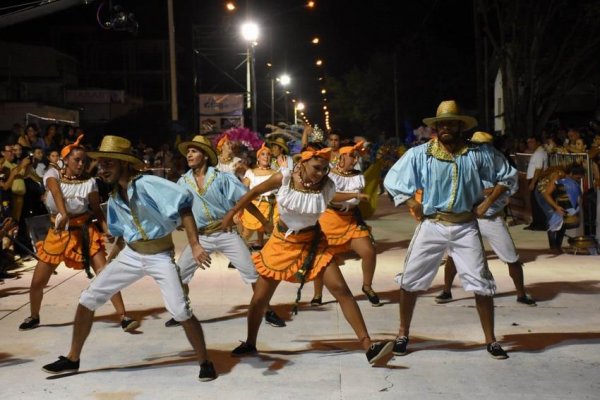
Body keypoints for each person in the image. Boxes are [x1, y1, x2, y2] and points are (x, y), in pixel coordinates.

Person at [41, 135, 216, 381]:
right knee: (88, 299)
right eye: (100, 164)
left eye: (109, 163)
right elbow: (124, 233)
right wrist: (113, 257)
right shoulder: (114, 196)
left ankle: (205, 362)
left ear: (124, 163)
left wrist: (195, 245)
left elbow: (184, 205)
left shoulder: (147, 184)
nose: (102, 168)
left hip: (159, 256)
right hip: (132, 255)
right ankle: (72, 359)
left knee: (180, 310)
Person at [222, 142, 393, 365]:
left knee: (341, 290)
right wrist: (232, 214)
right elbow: (254, 191)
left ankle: (368, 345)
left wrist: (354, 195)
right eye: (316, 168)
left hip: (313, 242)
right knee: (260, 299)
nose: (320, 173)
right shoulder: (283, 177)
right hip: (281, 243)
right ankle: (250, 342)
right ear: (303, 163)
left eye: (324, 169)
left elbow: (333, 196)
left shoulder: (326, 185)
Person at [384, 100, 517, 360]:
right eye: (441, 124)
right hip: (432, 225)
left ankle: (491, 340)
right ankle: (402, 334)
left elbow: (508, 175)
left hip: (466, 226)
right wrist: (413, 202)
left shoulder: (479, 153)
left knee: (481, 283)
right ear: (436, 127)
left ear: (460, 126)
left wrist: (488, 203)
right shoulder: (420, 154)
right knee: (410, 280)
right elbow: (393, 180)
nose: (445, 127)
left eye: (451, 123)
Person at [19, 135, 139, 332]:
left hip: (85, 232)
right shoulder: (52, 174)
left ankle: (124, 316)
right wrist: (64, 213)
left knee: (106, 274)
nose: (81, 163)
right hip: (58, 232)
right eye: (77, 160)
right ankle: (34, 316)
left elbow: (96, 209)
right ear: (66, 160)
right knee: (38, 281)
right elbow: (56, 192)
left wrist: (106, 229)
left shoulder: (90, 182)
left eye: (84, 160)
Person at [166, 135, 286, 328]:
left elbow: (245, 199)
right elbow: (178, 209)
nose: (189, 154)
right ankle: (182, 311)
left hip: (226, 233)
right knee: (179, 275)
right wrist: (177, 222)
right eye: (188, 151)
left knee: (253, 273)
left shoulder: (222, 178)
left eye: (194, 151)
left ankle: (267, 310)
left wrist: (264, 221)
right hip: (201, 237)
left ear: (205, 156)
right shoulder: (183, 182)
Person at [434, 131, 536, 307]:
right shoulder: (465, 160)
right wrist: (489, 190)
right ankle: (446, 291)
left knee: (511, 257)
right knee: (453, 255)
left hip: (492, 218)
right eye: (479, 145)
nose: (482, 149)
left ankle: (521, 294)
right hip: (468, 216)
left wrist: (489, 192)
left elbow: (510, 184)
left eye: (486, 145)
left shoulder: (498, 161)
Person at [311, 140, 381, 307]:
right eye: (351, 156)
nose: (355, 160)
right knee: (321, 259)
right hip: (329, 219)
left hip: (350, 220)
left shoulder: (358, 176)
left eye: (356, 157)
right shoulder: (329, 176)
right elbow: (332, 197)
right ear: (341, 157)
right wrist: (355, 196)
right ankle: (317, 293)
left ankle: (367, 287)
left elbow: (356, 197)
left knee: (369, 252)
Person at [538, 163, 585, 253]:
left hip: (555, 195)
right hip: (543, 194)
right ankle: (553, 247)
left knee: (563, 218)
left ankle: (558, 246)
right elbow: (546, 194)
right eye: (578, 178)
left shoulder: (571, 182)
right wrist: (556, 207)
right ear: (571, 174)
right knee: (553, 219)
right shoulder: (558, 177)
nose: (579, 181)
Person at [240, 143, 279, 248]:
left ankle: (269, 252)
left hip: (272, 206)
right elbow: (241, 190)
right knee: (247, 233)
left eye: (268, 154)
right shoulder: (251, 172)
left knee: (274, 232)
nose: (266, 156)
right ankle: (237, 254)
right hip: (254, 206)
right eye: (263, 154)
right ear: (258, 158)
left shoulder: (276, 173)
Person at [524, 135, 548, 230]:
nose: (530, 144)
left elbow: (538, 169)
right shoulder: (538, 152)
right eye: (528, 142)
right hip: (535, 179)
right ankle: (536, 223)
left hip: (536, 179)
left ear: (537, 142)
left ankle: (540, 224)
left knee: (537, 203)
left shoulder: (539, 153)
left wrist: (533, 182)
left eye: (532, 142)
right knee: (534, 203)